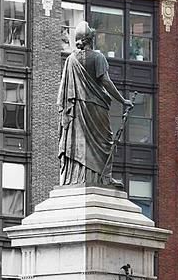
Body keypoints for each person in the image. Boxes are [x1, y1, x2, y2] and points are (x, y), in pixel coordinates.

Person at [57, 20, 134, 187]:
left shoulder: (70, 60)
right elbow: (105, 81)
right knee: (106, 140)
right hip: (96, 107)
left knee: (78, 140)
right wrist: (123, 100)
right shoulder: (97, 57)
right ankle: (104, 178)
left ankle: (74, 177)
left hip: (77, 108)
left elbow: (64, 91)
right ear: (91, 39)